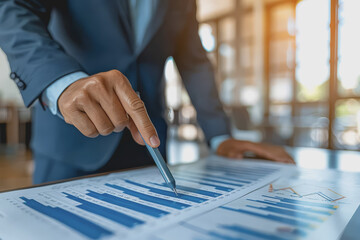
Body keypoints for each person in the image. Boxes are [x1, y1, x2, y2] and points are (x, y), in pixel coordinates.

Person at [0, 0, 293, 184]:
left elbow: (194, 62)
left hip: (150, 147)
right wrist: (62, 81)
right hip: (71, 141)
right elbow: (14, 9)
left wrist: (220, 136)